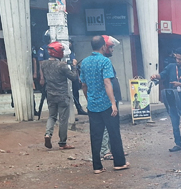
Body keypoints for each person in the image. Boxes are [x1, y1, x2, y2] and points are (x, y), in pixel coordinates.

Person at [80, 35, 129, 173]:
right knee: (114, 133)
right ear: (103, 46)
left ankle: (97, 167)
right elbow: (107, 82)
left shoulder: (84, 62)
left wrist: (88, 99)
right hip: (106, 104)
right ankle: (119, 163)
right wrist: (113, 103)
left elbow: (84, 85)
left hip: (92, 105)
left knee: (95, 136)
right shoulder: (105, 61)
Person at [151, 47, 181, 153]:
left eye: (180, 59)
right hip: (172, 100)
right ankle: (177, 144)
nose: (177, 61)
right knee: (175, 123)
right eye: (176, 58)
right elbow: (162, 75)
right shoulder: (171, 67)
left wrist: (179, 84)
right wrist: (155, 76)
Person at [41, 42, 79, 150]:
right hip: (62, 95)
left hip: (50, 94)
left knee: (52, 116)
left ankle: (48, 134)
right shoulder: (62, 65)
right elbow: (73, 77)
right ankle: (62, 143)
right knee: (63, 120)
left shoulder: (43, 64)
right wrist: (74, 66)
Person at [35, 30, 51, 119]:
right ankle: (40, 114)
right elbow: (40, 64)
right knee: (44, 96)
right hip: (46, 76)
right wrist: (42, 77)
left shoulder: (52, 48)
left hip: (53, 76)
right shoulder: (43, 49)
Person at [69, 40, 87, 115]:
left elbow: (75, 66)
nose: (70, 44)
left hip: (73, 74)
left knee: (75, 93)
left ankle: (79, 109)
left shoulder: (71, 52)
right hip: (66, 75)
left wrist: (78, 77)